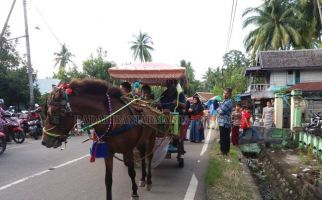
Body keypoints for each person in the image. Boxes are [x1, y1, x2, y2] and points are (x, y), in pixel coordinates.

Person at [159, 80, 186, 157]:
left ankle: (175, 141)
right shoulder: (164, 94)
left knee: (175, 127)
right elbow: (160, 103)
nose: (168, 85)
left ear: (174, 84)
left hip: (176, 115)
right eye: (167, 83)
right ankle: (159, 140)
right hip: (164, 115)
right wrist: (159, 104)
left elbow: (184, 106)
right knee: (159, 125)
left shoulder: (180, 93)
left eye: (170, 83)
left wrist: (177, 102)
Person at [217, 88, 233, 158]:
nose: (224, 94)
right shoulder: (224, 101)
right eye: (224, 93)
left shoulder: (229, 102)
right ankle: (222, 151)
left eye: (226, 93)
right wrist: (219, 109)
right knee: (222, 137)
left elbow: (221, 111)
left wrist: (219, 109)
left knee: (226, 138)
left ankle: (226, 152)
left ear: (229, 94)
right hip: (221, 122)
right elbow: (218, 109)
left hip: (226, 123)